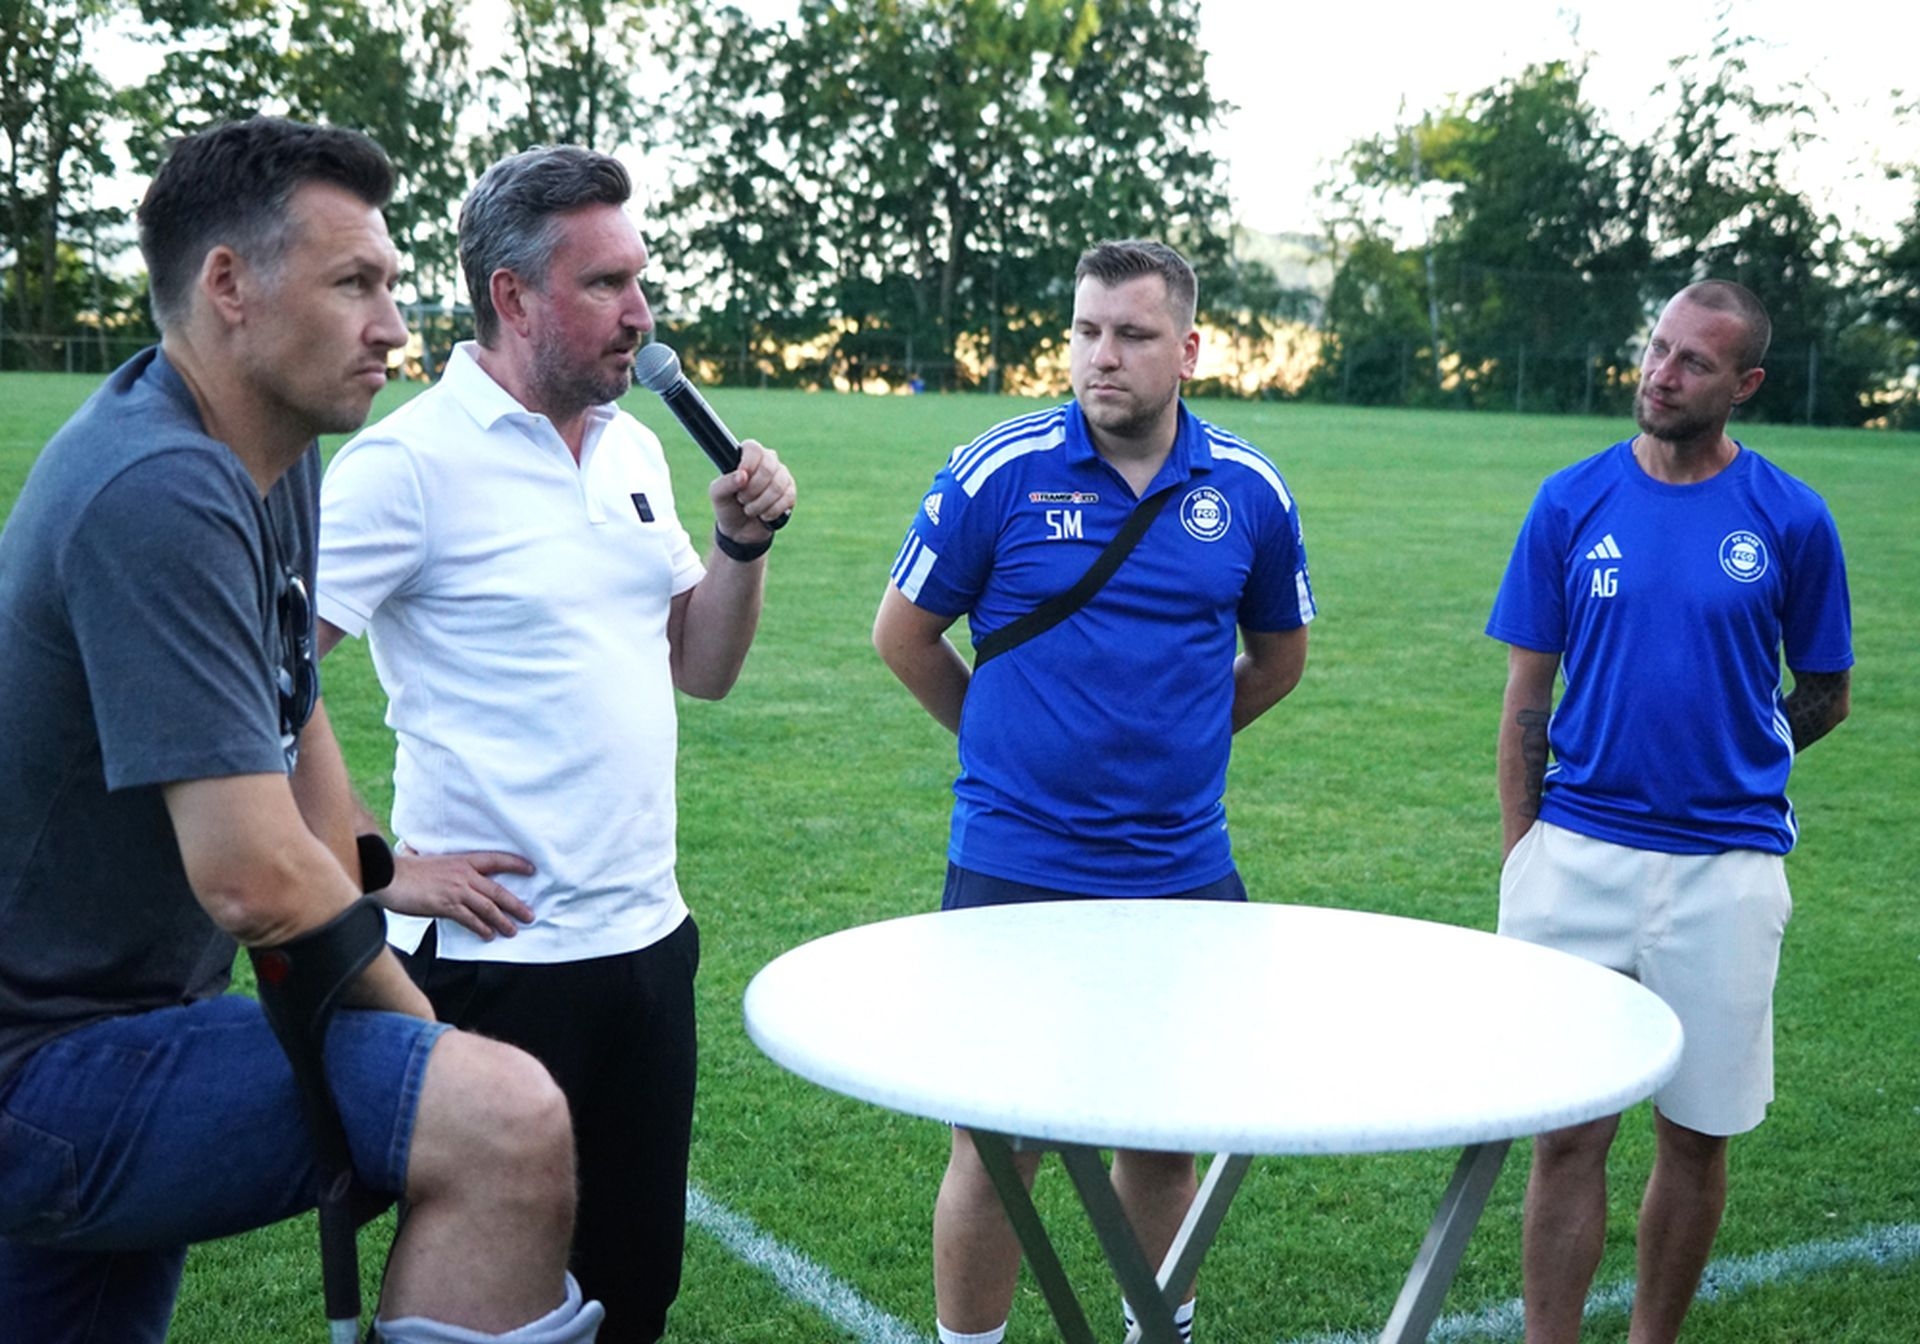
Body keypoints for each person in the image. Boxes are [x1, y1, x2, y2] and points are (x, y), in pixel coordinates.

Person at [0, 117, 602, 1344]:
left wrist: (374, 868)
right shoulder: (160, 486)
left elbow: (295, 700)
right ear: (229, 285)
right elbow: (254, 880)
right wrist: (424, 1037)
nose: (395, 326)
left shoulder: (271, 453)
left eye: (391, 284)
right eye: (354, 285)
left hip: (122, 1025)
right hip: (46, 1069)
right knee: (507, 1120)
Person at [315, 144, 795, 1344]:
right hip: (500, 965)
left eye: (640, 279)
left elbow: (702, 665)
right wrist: (379, 868)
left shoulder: (631, 446)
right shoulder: (406, 464)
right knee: (492, 1303)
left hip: (648, 943)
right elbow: (258, 679)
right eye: (606, 284)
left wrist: (740, 548)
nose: (642, 313)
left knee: (635, 1289)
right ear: (513, 296)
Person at [872, 239, 1314, 1344]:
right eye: (1085, 332)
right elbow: (904, 636)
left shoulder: (1249, 491)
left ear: (1190, 350)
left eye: (1131, 334)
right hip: (1013, 864)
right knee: (998, 1145)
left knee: (1161, 1138)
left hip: (1181, 871)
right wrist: (1008, 749)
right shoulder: (999, 472)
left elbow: (1278, 660)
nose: (1101, 356)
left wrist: (1178, 744)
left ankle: (1155, 1331)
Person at [1488, 280, 1853, 1344]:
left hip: (1725, 873)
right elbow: (1525, 701)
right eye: (1657, 348)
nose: (1662, 373)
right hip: (1576, 860)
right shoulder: (1570, 500)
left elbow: (1827, 690)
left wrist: (1741, 752)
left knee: (1695, 1138)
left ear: (1745, 384)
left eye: (1695, 361)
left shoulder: (1792, 517)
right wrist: (1526, 859)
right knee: (1567, 1135)